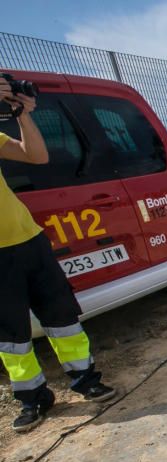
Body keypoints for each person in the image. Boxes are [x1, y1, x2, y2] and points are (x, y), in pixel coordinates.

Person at [0, 77, 116, 432]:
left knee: (62, 317)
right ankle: (33, 398)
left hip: (29, 241)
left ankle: (85, 378)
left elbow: (36, 155)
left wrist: (23, 115)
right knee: (11, 336)